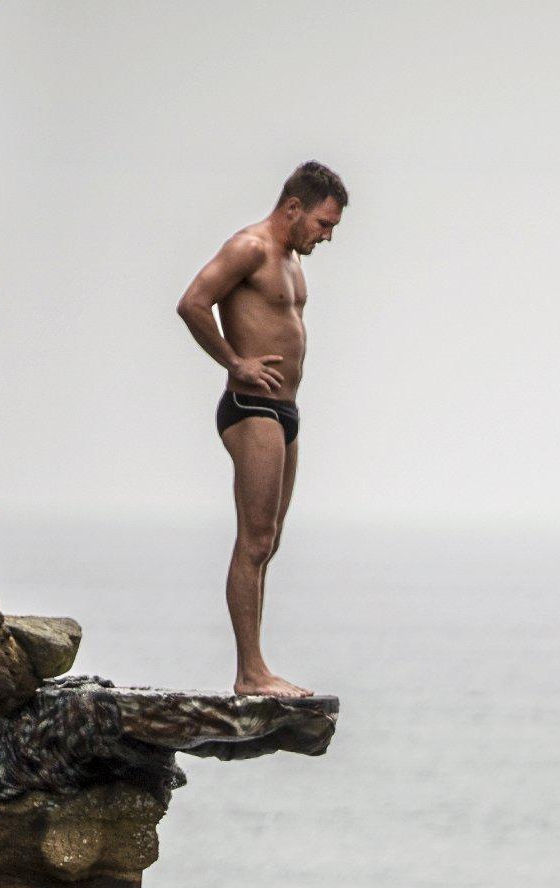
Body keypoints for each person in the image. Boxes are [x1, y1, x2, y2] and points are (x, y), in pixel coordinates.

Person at [176, 160, 349, 698]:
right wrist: (234, 363)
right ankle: (250, 673)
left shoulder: (293, 263)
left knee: (267, 543)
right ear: (293, 207)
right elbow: (192, 303)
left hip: (286, 412)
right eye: (323, 224)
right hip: (251, 408)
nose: (327, 236)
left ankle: (258, 667)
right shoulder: (249, 247)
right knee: (252, 541)